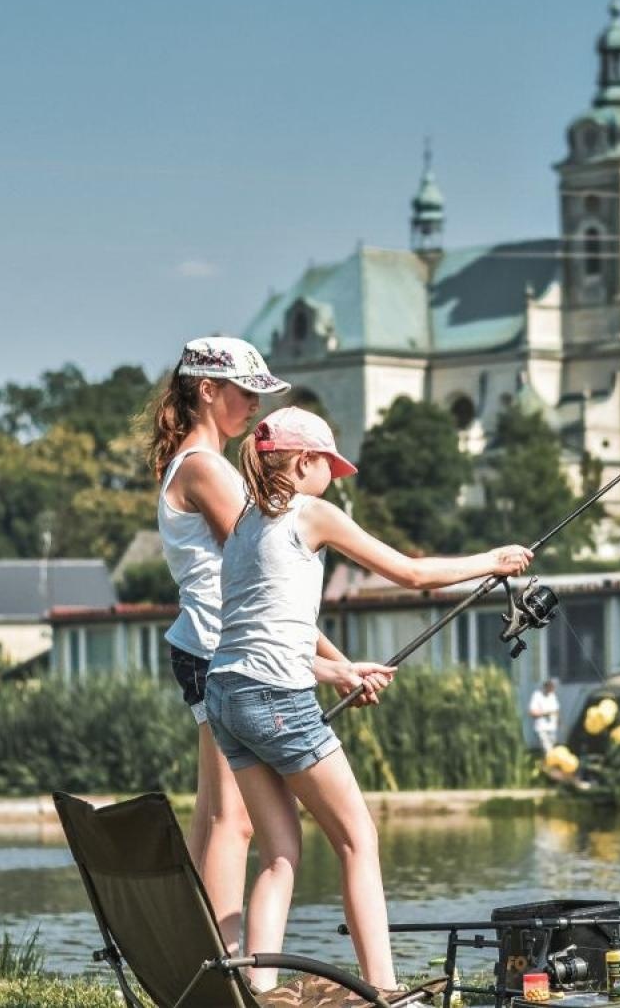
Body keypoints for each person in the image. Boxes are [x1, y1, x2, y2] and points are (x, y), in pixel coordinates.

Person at [207, 405, 532, 993]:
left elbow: (259, 633)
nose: (335, 475)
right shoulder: (313, 514)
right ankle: (384, 992)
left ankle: (255, 992)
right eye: (330, 464)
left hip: (226, 695)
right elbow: (410, 574)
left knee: (279, 850)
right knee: (358, 838)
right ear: (304, 461)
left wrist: (337, 670)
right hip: (276, 696)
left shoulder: (245, 526)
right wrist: (493, 561)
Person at [145, 334, 348, 953]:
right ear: (208, 390)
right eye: (245, 392)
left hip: (204, 645)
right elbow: (269, 574)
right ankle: (228, 965)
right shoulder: (207, 468)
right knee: (232, 823)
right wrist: (338, 666)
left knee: (214, 817)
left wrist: (336, 665)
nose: (255, 406)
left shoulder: (197, 462)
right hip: (220, 647)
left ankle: (207, 961)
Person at [529, 677, 561, 752]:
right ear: (546, 686)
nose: (553, 688)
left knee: (552, 749)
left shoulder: (552, 696)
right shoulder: (537, 696)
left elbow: (556, 710)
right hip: (542, 728)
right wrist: (545, 714)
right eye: (551, 686)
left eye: (554, 687)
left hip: (552, 728)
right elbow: (532, 713)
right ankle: (548, 762)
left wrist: (559, 721)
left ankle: (546, 763)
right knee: (547, 749)